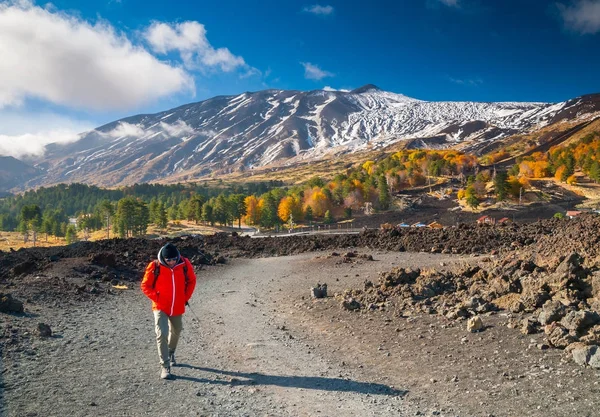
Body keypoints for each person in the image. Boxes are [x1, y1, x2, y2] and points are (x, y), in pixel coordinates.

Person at [141, 243, 197, 380]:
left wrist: (185, 297)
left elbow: (192, 281)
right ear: (163, 258)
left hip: (177, 305)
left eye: (173, 259)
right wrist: (157, 298)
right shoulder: (154, 266)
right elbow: (145, 285)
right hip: (160, 307)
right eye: (168, 260)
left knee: (177, 329)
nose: (171, 262)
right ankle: (165, 366)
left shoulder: (184, 264)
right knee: (162, 333)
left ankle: (171, 352)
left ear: (177, 257)